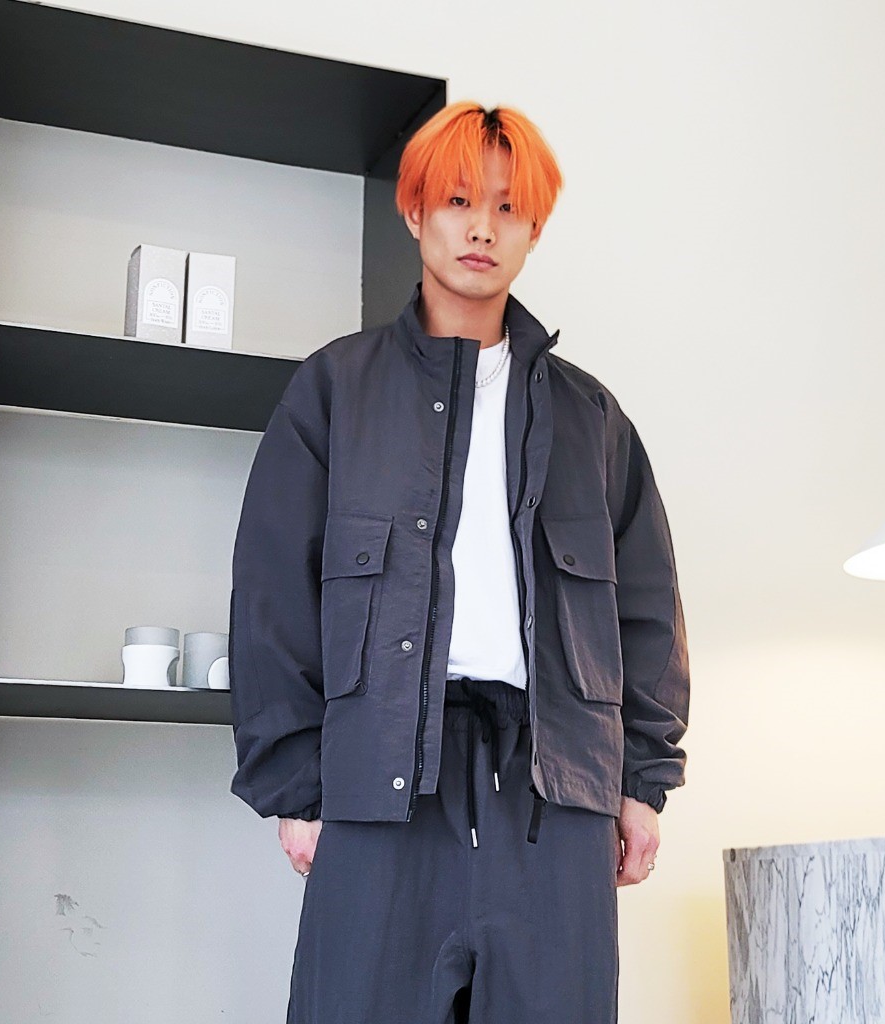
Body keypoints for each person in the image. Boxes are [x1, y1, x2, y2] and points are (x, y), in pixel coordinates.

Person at [228, 100, 690, 1024]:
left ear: (534, 231)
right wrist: (297, 786)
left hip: (554, 790)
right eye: (458, 201)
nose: (483, 228)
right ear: (414, 212)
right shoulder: (334, 390)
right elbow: (272, 594)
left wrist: (641, 783)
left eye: (509, 209)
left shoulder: (592, 420)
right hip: (380, 781)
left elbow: (648, 613)